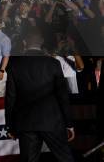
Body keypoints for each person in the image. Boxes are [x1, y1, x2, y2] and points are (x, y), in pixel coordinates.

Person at [5, 33, 75, 162]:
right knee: (65, 159)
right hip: (52, 121)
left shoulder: (15, 65)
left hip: (26, 123)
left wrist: (9, 125)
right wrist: (69, 124)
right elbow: (62, 95)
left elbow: (10, 97)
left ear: (25, 43)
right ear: (41, 44)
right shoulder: (53, 63)